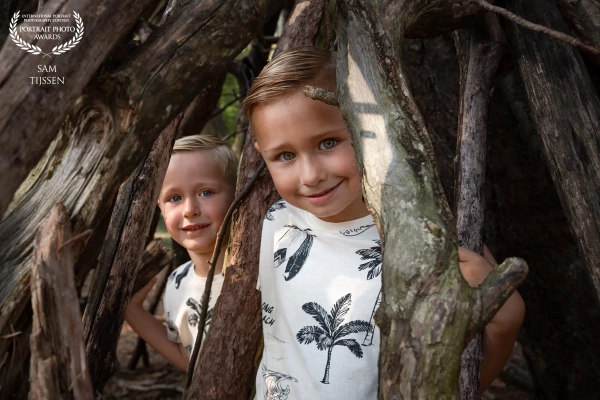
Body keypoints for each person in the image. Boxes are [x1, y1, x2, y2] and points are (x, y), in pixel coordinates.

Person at [242, 46, 525, 398]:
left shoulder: (426, 234)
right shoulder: (276, 222)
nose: (311, 175)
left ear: (369, 129)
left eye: (328, 143)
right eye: (285, 155)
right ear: (261, 156)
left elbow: (496, 327)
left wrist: (506, 313)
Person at [125, 135, 237, 370]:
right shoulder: (177, 282)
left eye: (206, 192)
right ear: (160, 207)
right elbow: (192, 362)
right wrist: (132, 311)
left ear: (237, 193)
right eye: (174, 198)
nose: (190, 210)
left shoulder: (271, 265)